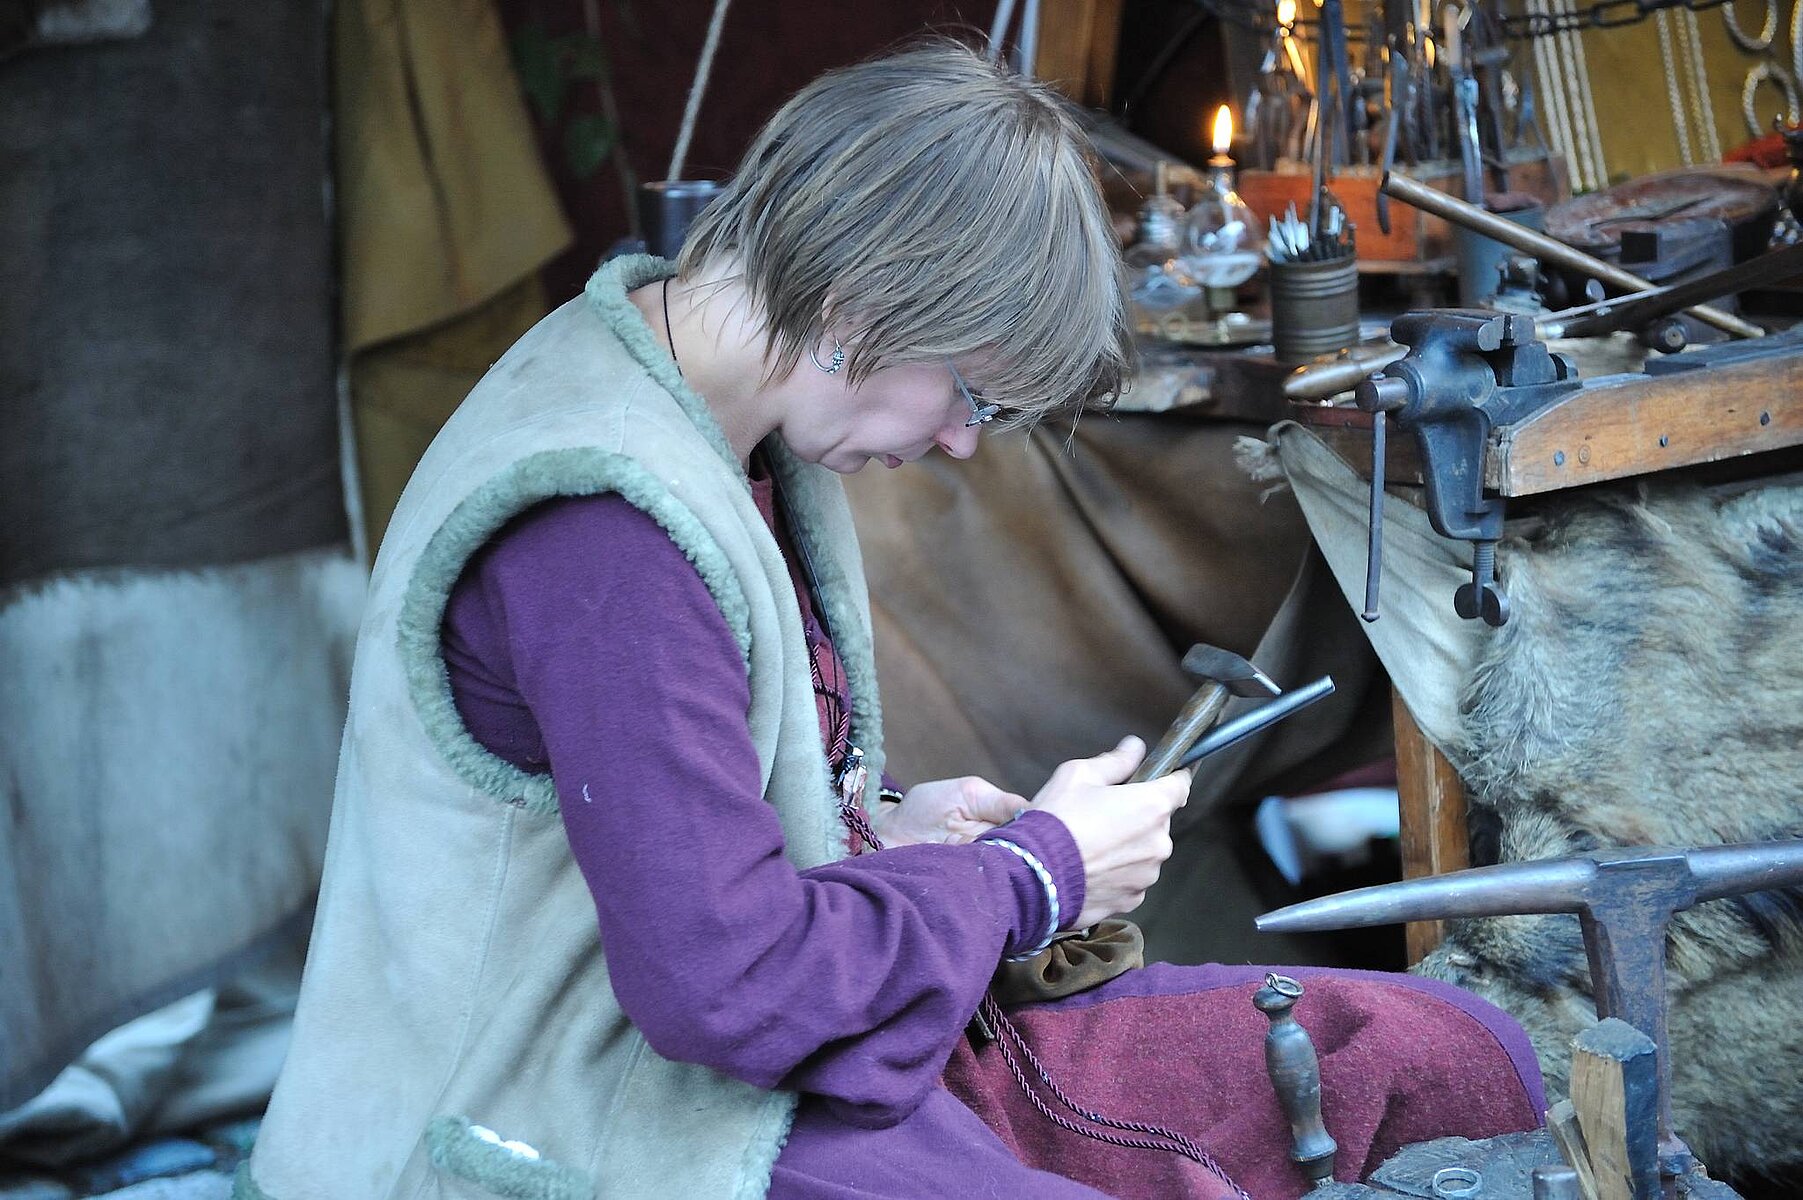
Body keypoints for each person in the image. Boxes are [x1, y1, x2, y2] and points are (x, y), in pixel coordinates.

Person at [241, 41, 1543, 1200]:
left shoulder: (713, 415)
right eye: (971, 393)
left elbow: (675, 833)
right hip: (576, 1126)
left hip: (731, 1060)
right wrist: (1035, 878)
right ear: (864, 308)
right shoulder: (605, 536)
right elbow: (729, 991)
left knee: (1446, 1062)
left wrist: (877, 829)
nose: (965, 444)